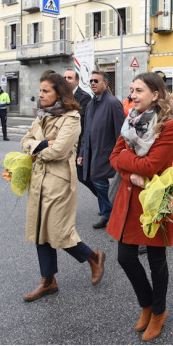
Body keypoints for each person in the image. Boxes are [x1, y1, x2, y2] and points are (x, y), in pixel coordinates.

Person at [107, 72, 173, 341]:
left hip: (154, 201)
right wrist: (130, 173)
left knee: (156, 260)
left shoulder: (170, 125)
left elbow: (152, 166)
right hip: (129, 198)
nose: (133, 95)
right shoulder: (131, 120)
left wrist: (128, 161)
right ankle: (147, 305)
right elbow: (114, 157)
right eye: (131, 90)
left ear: (156, 94)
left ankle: (158, 312)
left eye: (139, 90)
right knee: (124, 257)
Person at [20, 73, 105, 302]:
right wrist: (43, 144)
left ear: (59, 93)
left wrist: (36, 148)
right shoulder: (42, 116)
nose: (41, 94)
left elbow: (59, 151)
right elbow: (24, 141)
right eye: (40, 90)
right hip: (38, 180)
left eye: (46, 91)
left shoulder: (72, 118)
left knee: (57, 231)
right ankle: (48, 281)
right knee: (40, 231)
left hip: (59, 182)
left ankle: (93, 256)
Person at [77, 71, 125, 229]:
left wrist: (121, 153)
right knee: (97, 181)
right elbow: (86, 131)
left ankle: (112, 213)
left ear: (106, 84)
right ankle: (107, 214)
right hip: (92, 151)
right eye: (91, 81)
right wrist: (82, 153)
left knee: (101, 182)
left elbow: (121, 131)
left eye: (96, 81)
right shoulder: (91, 104)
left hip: (107, 152)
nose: (92, 83)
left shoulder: (112, 103)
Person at [64, 69, 97, 198]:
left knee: (83, 176)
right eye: (65, 77)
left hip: (80, 141)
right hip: (66, 141)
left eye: (69, 78)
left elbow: (81, 119)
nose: (66, 80)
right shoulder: (61, 96)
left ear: (77, 81)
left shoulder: (84, 97)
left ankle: (106, 200)